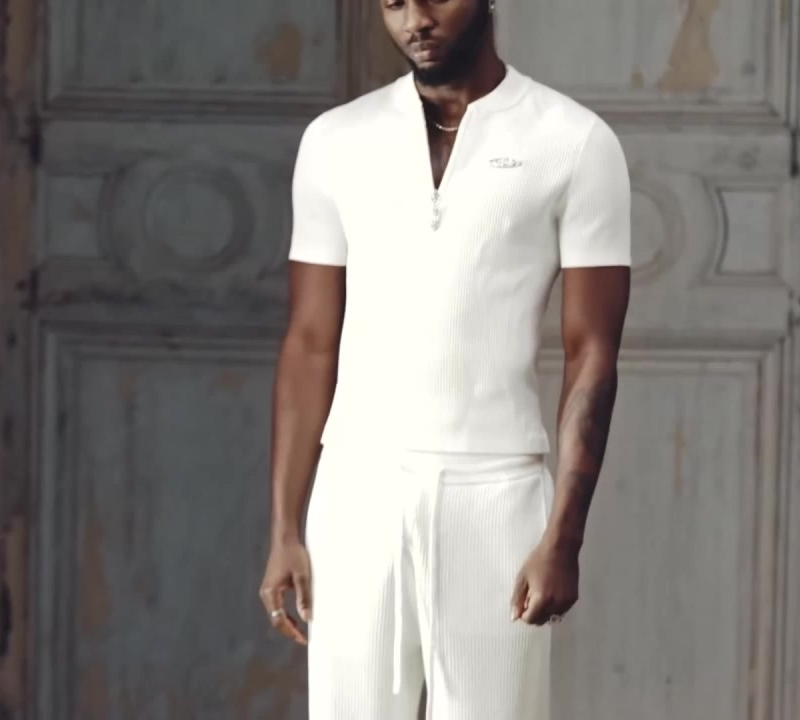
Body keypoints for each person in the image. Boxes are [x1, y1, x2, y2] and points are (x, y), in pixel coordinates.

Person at [258, 0, 631, 717]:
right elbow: (309, 341)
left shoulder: (575, 142)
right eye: (394, 3)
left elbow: (591, 352)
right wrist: (284, 527)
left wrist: (564, 536)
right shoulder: (336, 140)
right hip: (356, 494)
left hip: (498, 496)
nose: (415, 20)